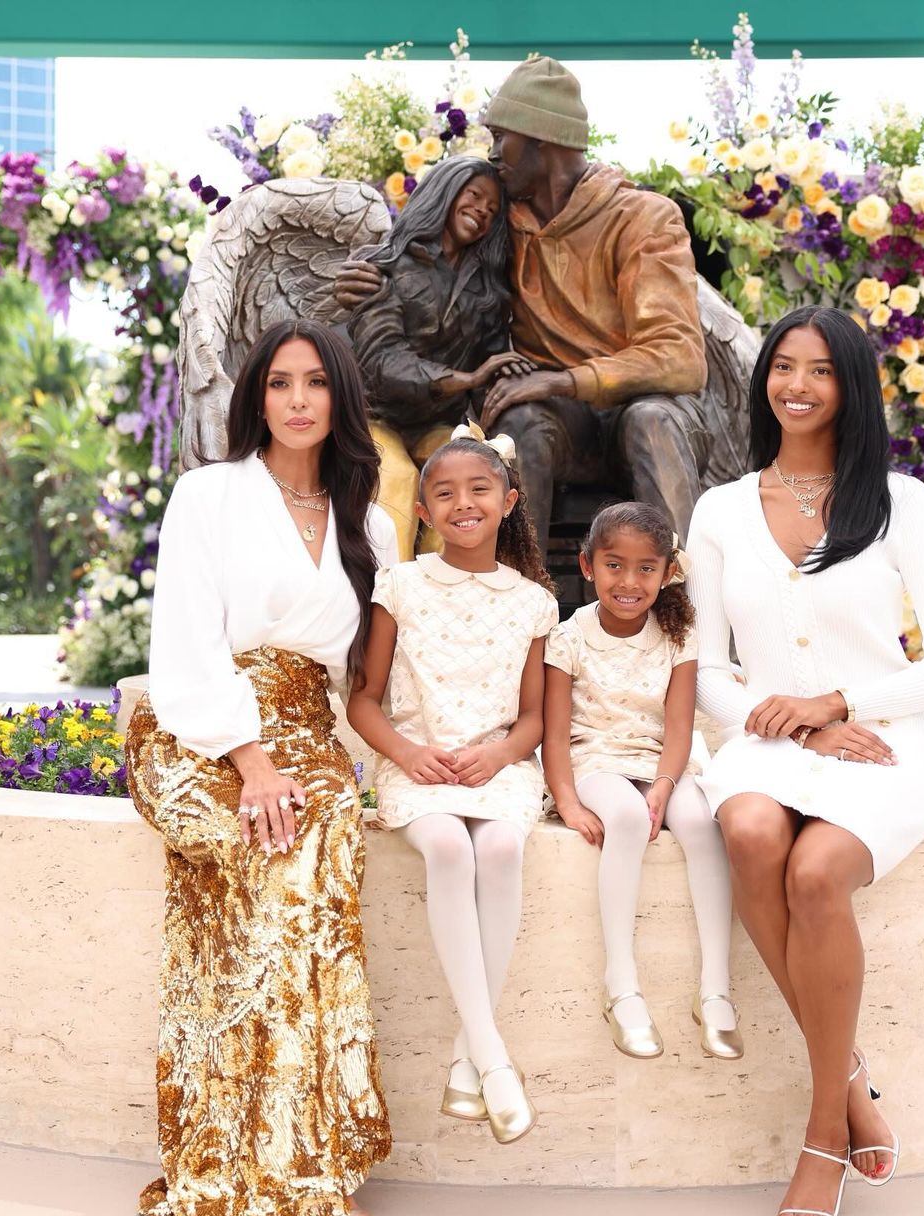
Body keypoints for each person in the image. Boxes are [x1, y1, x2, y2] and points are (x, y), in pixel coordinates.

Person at [686, 306, 924, 1216]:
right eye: (783, 367)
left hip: (880, 743)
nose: (798, 386)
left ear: (851, 387)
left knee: (816, 875)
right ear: (763, 378)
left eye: (820, 370)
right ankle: (847, 1080)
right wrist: (794, 728)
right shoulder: (721, 509)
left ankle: (821, 1134)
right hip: (766, 738)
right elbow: (703, 667)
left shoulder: (901, 504)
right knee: (750, 831)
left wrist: (839, 706)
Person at [126, 319, 398, 1216]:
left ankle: (307, 1170)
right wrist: (250, 762)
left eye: (316, 382)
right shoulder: (209, 494)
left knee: (315, 856)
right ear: (256, 396)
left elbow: (376, 670)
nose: (296, 400)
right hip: (200, 726)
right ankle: (237, 1160)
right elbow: (187, 642)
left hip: (307, 732)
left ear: (339, 398)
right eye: (279, 382)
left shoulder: (371, 520)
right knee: (270, 849)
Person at [337, 56, 710, 551]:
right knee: (516, 425)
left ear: (541, 138)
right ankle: (517, 603)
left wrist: (559, 379)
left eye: (499, 138)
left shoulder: (643, 218)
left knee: (651, 422)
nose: (493, 155)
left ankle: (682, 602)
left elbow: (680, 357)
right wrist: (371, 273)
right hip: (560, 422)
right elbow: (426, 257)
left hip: (646, 409)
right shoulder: (499, 223)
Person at [346, 422, 558, 1145]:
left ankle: (470, 1062)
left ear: (508, 500)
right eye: (444, 493)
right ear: (424, 514)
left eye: (479, 489)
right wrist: (407, 753)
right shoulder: (399, 585)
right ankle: (492, 1062)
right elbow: (364, 700)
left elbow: (533, 719)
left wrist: (500, 758)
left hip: (497, 768)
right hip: (418, 767)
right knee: (448, 849)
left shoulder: (533, 602)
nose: (463, 503)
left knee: (499, 850)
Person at [542, 502, 743, 1062]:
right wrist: (567, 801)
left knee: (702, 822)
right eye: (614, 565)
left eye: (645, 568)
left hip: (660, 757)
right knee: (627, 818)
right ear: (587, 566)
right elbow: (554, 737)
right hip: (594, 759)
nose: (629, 582)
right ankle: (622, 986)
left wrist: (663, 784)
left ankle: (716, 988)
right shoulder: (568, 637)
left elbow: (679, 728)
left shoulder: (679, 637)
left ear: (667, 572)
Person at [347, 156, 532, 561]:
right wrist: (466, 379)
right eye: (474, 196)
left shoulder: (486, 291)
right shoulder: (386, 265)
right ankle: (389, 603)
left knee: (459, 481)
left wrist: (508, 385)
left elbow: (492, 360)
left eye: (492, 210)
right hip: (375, 417)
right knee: (396, 478)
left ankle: (449, 601)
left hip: (437, 423)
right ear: (445, 192)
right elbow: (382, 362)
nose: (482, 211)